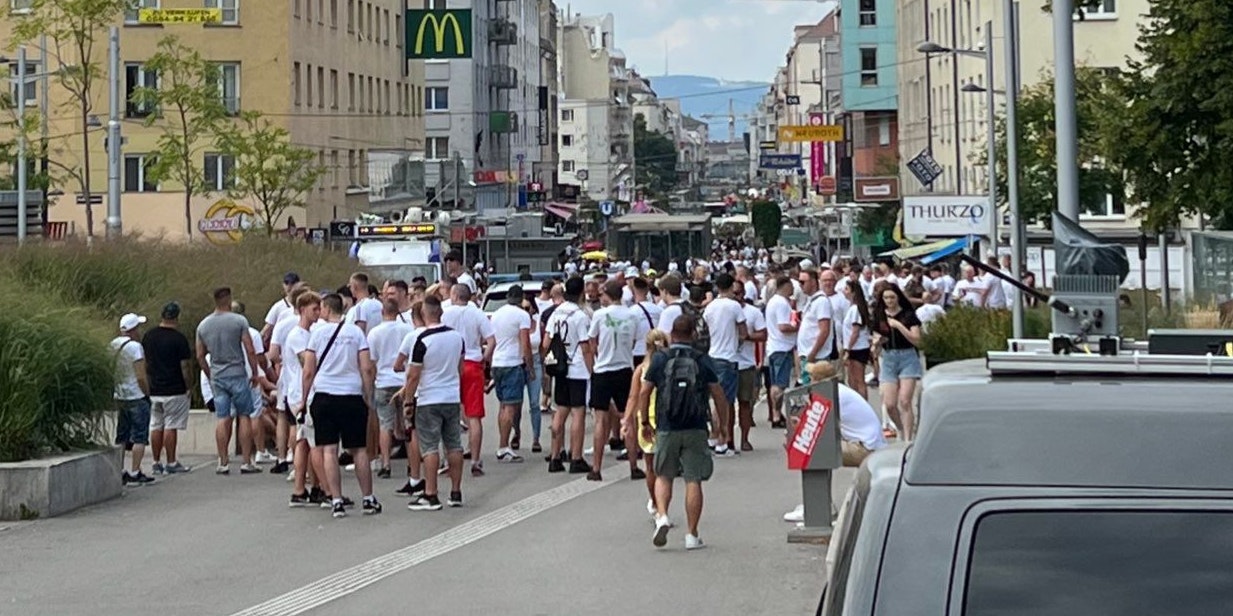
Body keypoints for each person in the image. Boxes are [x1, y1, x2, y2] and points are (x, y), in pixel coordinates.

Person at [639, 315, 728, 551]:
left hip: (667, 425)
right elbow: (718, 394)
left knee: (663, 474)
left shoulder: (660, 359)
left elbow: (644, 392)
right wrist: (723, 426)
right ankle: (692, 534)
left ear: (672, 333)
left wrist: (646, 422)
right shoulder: (702, 360)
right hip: (696, 425)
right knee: (693, 479)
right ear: (693, 334)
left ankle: (663, 515)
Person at [300, 293, 382, 518]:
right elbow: (366, 367)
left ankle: (336, 500)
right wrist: (367, 393)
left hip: (324, 395)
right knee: (359, 450)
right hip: (351, 395)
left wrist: (304, 398)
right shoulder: (355, 333)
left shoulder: (316, 334)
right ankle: (368, 497)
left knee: (328, 449)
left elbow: (308, 371)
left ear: (326, 308)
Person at [402, 296, 467, 511]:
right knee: (454, 444)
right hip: (451, 397)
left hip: (429, 398)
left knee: (429, 447)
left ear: (423, 315)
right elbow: (460, 367)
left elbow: (413, 375)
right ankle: (455, 491)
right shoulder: (457, 337)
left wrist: (408, 401)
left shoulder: (422, 341)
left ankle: (431, 493)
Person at [196, 287, 261, 475]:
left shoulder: (203, 325)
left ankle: (223, 461)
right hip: (237, 373)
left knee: (223, 417)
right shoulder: (239, 321)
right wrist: (255, 372)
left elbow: (200, 355)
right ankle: (246, 461)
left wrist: (209, 374)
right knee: (244, 415)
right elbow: (249, 348)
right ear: (228, 300)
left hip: (217, 374)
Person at [587, 280, 639, 480]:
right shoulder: (632, 315)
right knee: (628, 418)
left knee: (600, 419)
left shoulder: (600, 314)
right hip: (624, 368)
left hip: (603, 369)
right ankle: (634, 466)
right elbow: (634, 340)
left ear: (607, 295)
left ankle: (596, 468)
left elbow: (592, 341)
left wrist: (598, 356)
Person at [442, 284, 495, 476]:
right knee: (474, 416)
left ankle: (449, 459)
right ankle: (475, 460)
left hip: (451, 365)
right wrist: (484, 360)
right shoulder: (477, 314)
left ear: (454, 295)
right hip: (473, 364)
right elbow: (491, 341)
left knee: (450, 416)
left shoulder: (445, 314)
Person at [543, 276, 593, 475]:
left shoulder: (556, 313)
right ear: (581, 292)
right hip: (577, 367)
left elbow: (546, 343)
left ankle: (555, 456)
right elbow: (585, 347)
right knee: (578, 412)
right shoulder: (580, 316)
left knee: (560, 410)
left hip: (559, 368)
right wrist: (592, 371)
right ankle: (576, 457)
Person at [622, 330, 671, 521]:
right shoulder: (671, 368)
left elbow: (633, 397)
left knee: (650, 466)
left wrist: (626, 420)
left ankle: (655, 503)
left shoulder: (642, 370)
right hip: (668, 420)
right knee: (665, 470)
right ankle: (663, 508)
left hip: (647, 420)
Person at [142, 302, 193, 475]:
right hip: (174, 388)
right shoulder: (179, 339)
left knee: (156, 425)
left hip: (154, 388)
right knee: (171, 425)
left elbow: (145, 363)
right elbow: (184, 366)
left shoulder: (149, 336)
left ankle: (156, 462)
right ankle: (171, 461)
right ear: (176, 317)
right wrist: (188, 386)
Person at [366, 299, 414, 478]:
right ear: (398, 312)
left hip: (384, 381)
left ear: (382, 312)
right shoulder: (407, 330)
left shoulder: (374, 333)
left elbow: (371, 363)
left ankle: (386, 464)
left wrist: (369, 384)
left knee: (385, 424)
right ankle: (412, 463)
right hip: (404, 381)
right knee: (407, 424)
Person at [701, 273, 747, 456]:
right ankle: (722, 441)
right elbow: (743, 332)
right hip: (729, 357)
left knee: (714, 399)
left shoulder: (710, 307)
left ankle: (713, 436)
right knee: (725, 402)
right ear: (731, 287)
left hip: (712, 355)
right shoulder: (735, 306)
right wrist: (738, 340)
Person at [871, 284, 924, 442]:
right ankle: (900, 427)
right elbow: (874, 341)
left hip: (907, 356)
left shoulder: (908, 315)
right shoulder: (880, 315)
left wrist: (899, 326)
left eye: (892, 297)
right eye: (886, 298)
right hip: (888, 358)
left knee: (905, 400)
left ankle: (908, 438)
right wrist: (877, 342)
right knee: (889, 404)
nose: (889, 301)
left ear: (898, 297)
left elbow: (917, 339)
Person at [490, 285, 533, 463]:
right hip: (513, 363)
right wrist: (529, 366)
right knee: (510, 407)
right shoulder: (522, 316)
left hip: (497, 361)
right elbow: (525, 343)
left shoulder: (497, 314)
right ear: (521, 298)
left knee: (502, 406)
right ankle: (503, 447)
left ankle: (503, 443)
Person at [113, 313, 156, 485]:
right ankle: (135, 471)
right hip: (136, 395)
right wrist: (146, 392)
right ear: (133, 330)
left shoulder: (113, 345)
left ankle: (120, 470)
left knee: (122, 435)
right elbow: (140, 375)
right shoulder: (135, 347)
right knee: (139, 436)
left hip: (120, 394)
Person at [764, 277, 798, 428]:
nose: (793, 289)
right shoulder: (781, 303)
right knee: (780, 384)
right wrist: (798, 326)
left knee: (776, 382)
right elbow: (783, 327)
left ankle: (776, 413)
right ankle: (777, 414)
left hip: (774, 346)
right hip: (782, 347)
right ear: (785, 286)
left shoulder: (773, 302)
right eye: (791, 286)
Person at [734, 293, 766, 451]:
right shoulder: (716, 309)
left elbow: (763, 334)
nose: (735, 296)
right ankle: (727, 440)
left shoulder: (753, 312)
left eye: (738, 293)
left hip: (746, 364)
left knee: (745, 403)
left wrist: (746, 337)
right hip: (724, 362)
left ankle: (745, 439)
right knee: (724, 404)